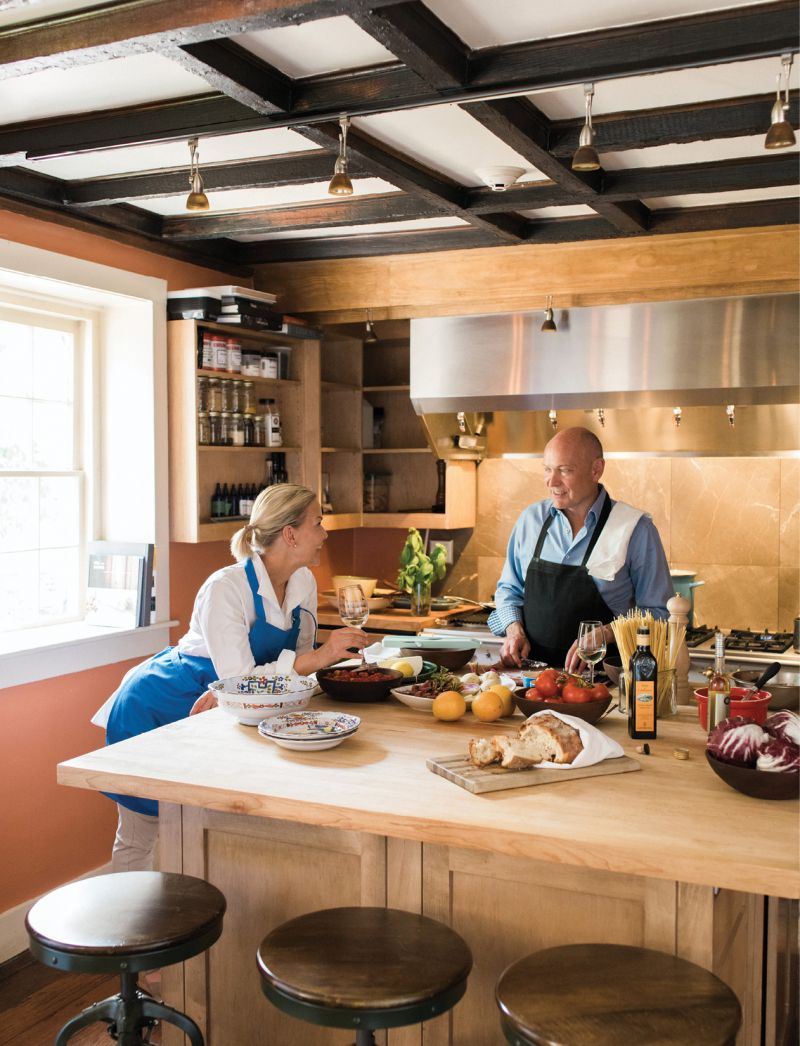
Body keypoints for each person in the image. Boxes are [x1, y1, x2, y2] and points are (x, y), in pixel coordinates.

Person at [93, 484, 369, 872]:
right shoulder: (226, 588)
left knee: (208, 824)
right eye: (318, 523)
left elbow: (299, 666)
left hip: (229, 713)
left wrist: (323, 666)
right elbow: (240, 680)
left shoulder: (303, 581)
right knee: (145, 831)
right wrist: (317, 659)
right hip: (163, 705)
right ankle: (127, 923)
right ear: (289, 534)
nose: (325, 533)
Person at [488, 426, 673, 672]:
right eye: (547, 469)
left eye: (565, 470)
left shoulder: (635, 529)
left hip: (604, 686)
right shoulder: (530, 521)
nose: (552, 482)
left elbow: (660, 615)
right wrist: (513, 629)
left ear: (596, 469)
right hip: (531, 682)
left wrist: (606, 634)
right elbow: (508, 590)